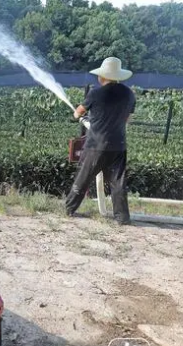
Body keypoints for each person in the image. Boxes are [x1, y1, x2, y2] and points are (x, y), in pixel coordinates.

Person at [66, 57, 135, 225]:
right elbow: (126, 119)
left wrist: (80, 117)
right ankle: (122, 218)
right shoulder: (128, 94)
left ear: (101, 76)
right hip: (118, 145)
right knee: (118, 183)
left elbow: (78, 112)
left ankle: (69, 209)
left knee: (84, 177)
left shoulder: (95, 93)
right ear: (118, 76)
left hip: (96, 145)